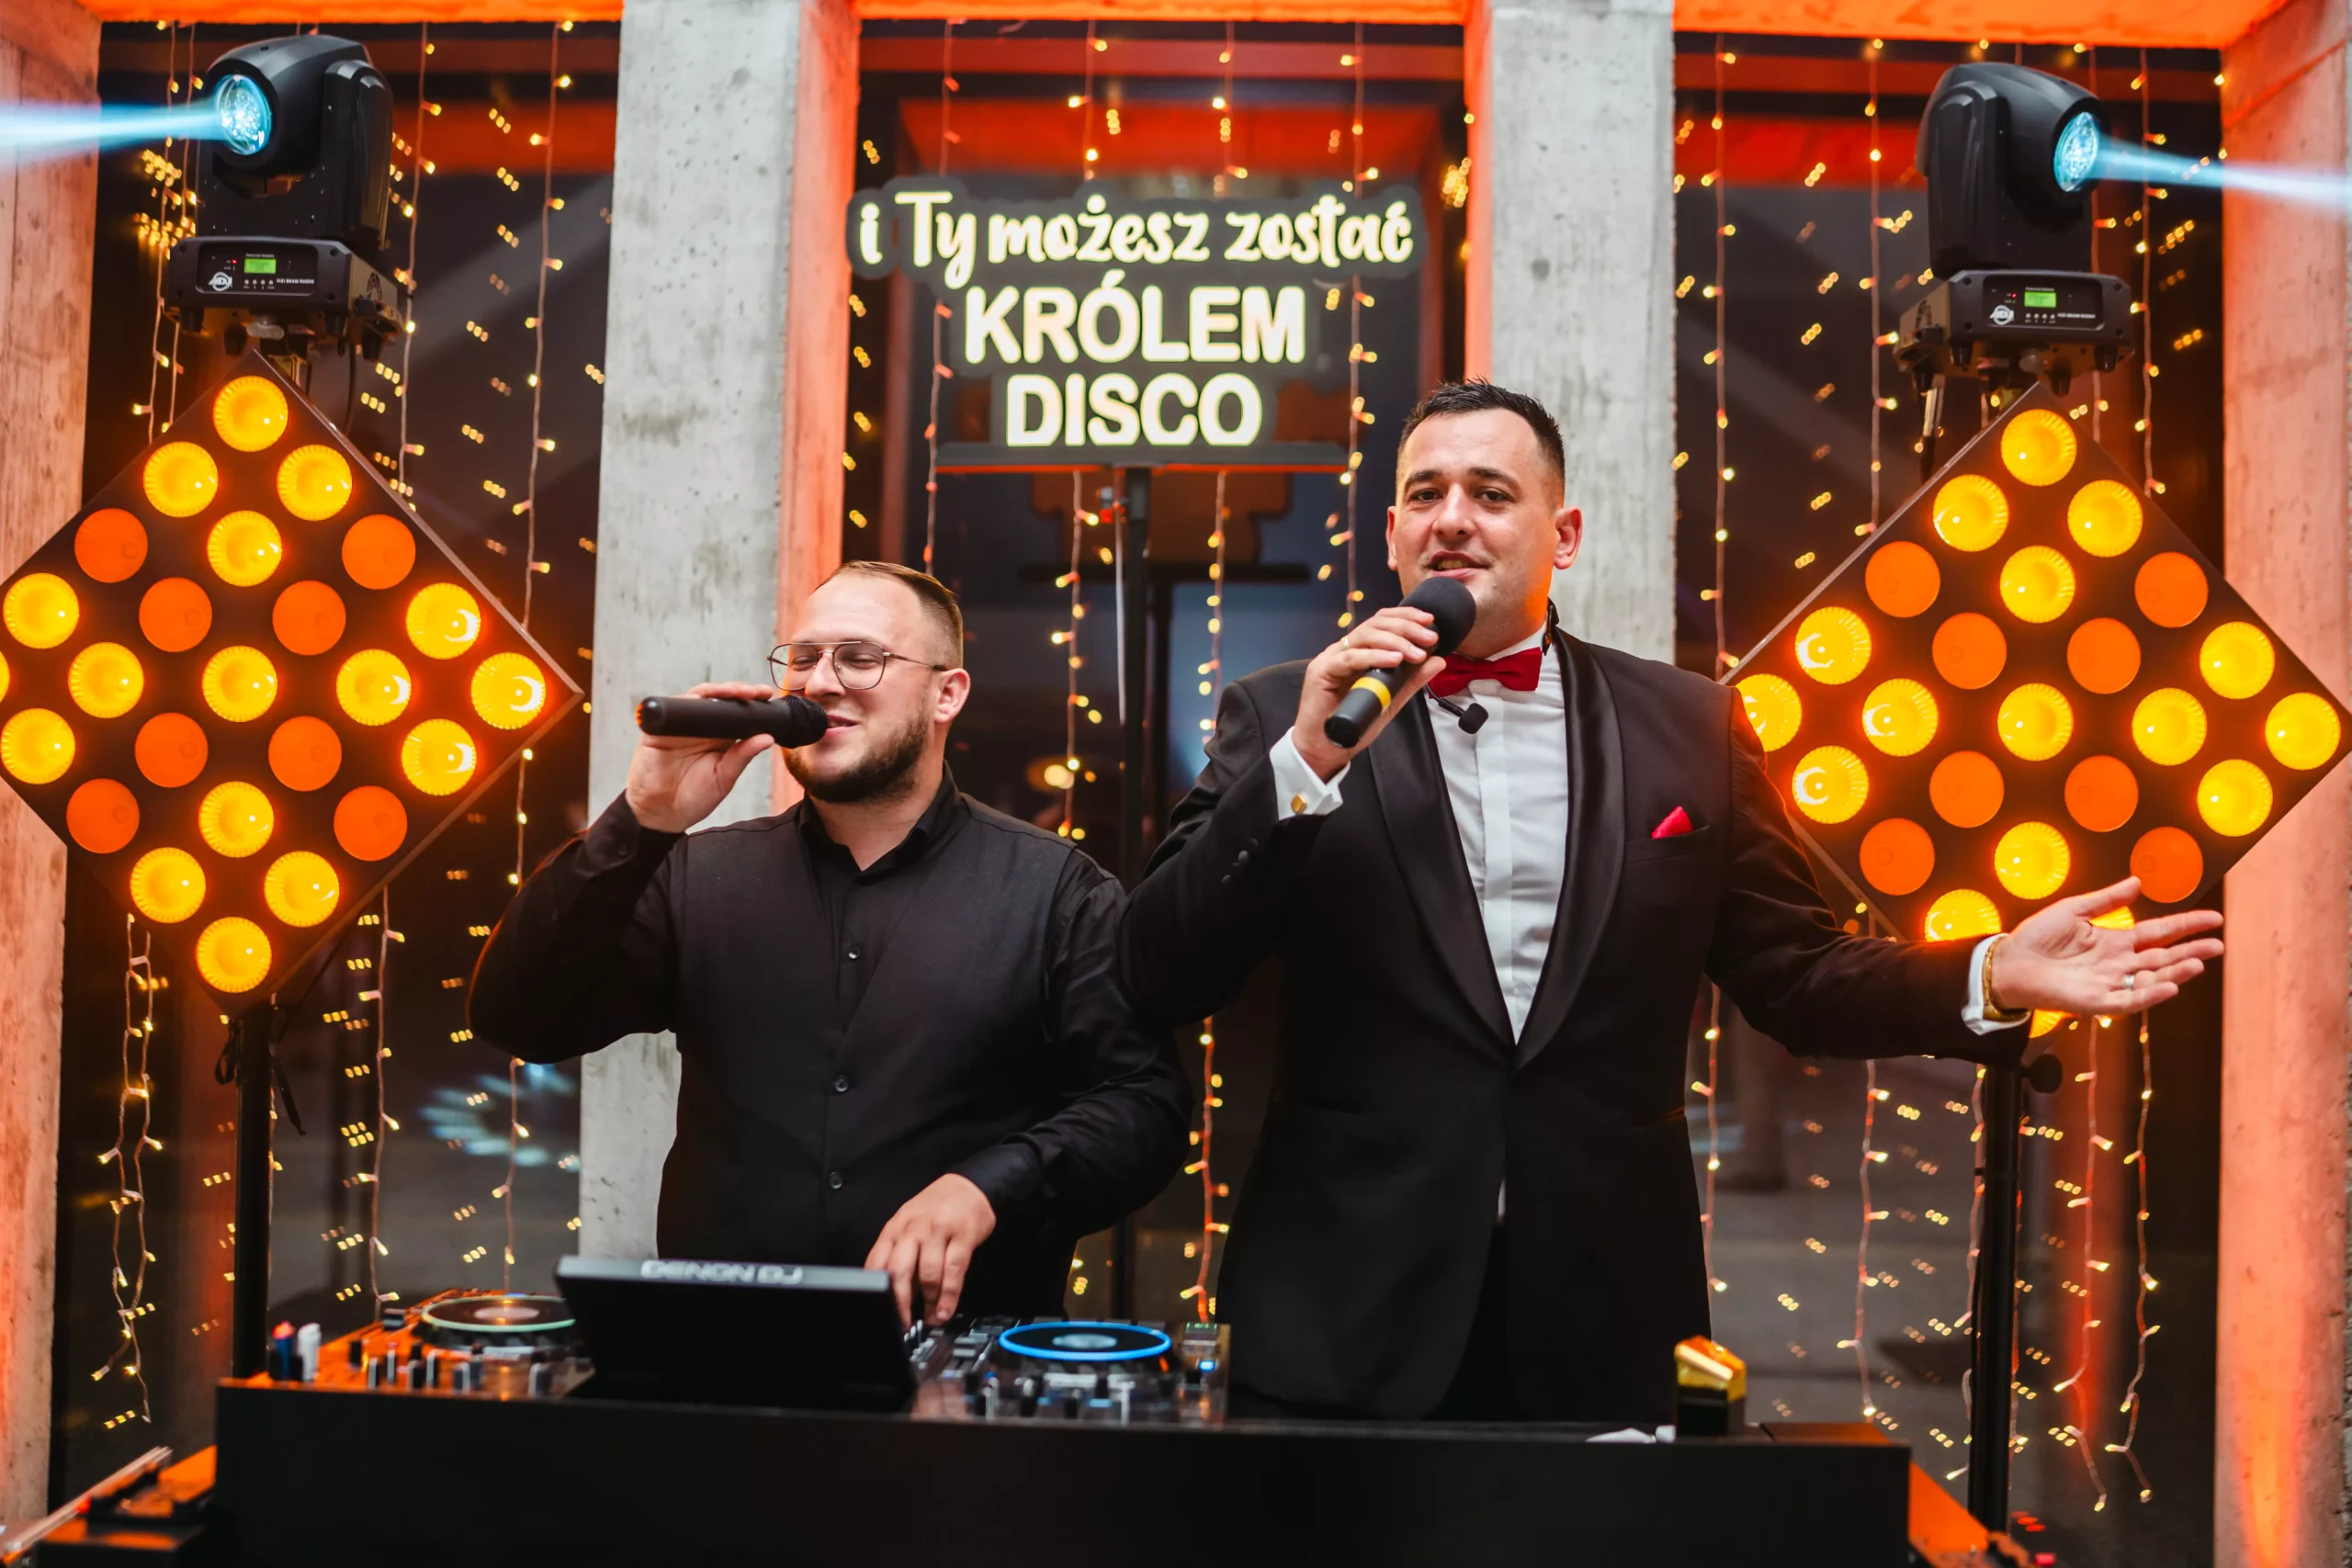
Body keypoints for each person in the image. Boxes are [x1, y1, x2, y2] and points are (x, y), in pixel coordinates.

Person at [1119, 380, 2223, 1423]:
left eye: (1491, 493)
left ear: (1563, 535)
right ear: (1394, 534)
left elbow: (1796, 978)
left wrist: (1988, 971)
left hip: (1603, 1311)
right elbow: (1162, 969)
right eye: (1426, 494)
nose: (1452, 518)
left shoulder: (1689, 724)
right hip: (1340, 1312)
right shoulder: (1286, 714)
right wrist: (1307, 761)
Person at [471, 560, 1190, 1326]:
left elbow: (1143, 1105)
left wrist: (991, 1186)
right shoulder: (697, 873)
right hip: (726, 1348)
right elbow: (522, 1018)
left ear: (947, 694)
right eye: (804, 657)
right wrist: (641, 819)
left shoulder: (1056, 890)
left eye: (860, 657)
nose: (820, 681)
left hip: (956, 1357)